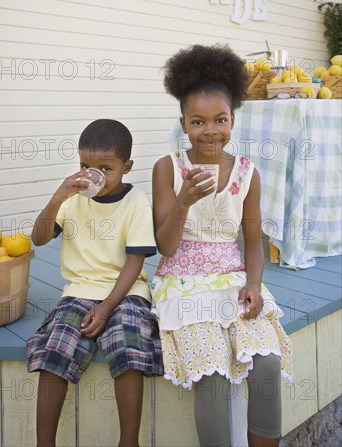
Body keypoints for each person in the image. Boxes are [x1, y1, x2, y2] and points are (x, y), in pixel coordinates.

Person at [150, 44, 294, 447]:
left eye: (220, 120)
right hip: (181, 280)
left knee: (266, 364)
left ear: (233, 119)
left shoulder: (247, 173)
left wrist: (253, 283)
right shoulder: (167, 168)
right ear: (183, 123)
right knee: (211, 372)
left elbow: (252, 241)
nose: (209, 131)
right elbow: (164, 245)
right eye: (198, 122)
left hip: (232, 276)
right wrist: (184, 201)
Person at [27, 119, 163, 447]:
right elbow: (39, 238)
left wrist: (106, 308)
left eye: (105, 168)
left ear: (126, 167)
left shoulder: (136, 202)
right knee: (55, 350)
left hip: (126, 292)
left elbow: (135, 261)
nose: (94, 176)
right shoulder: (73, 199)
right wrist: (57, 198)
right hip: (80, 291)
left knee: (128, 347)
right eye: (85, 166)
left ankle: (128, 441)